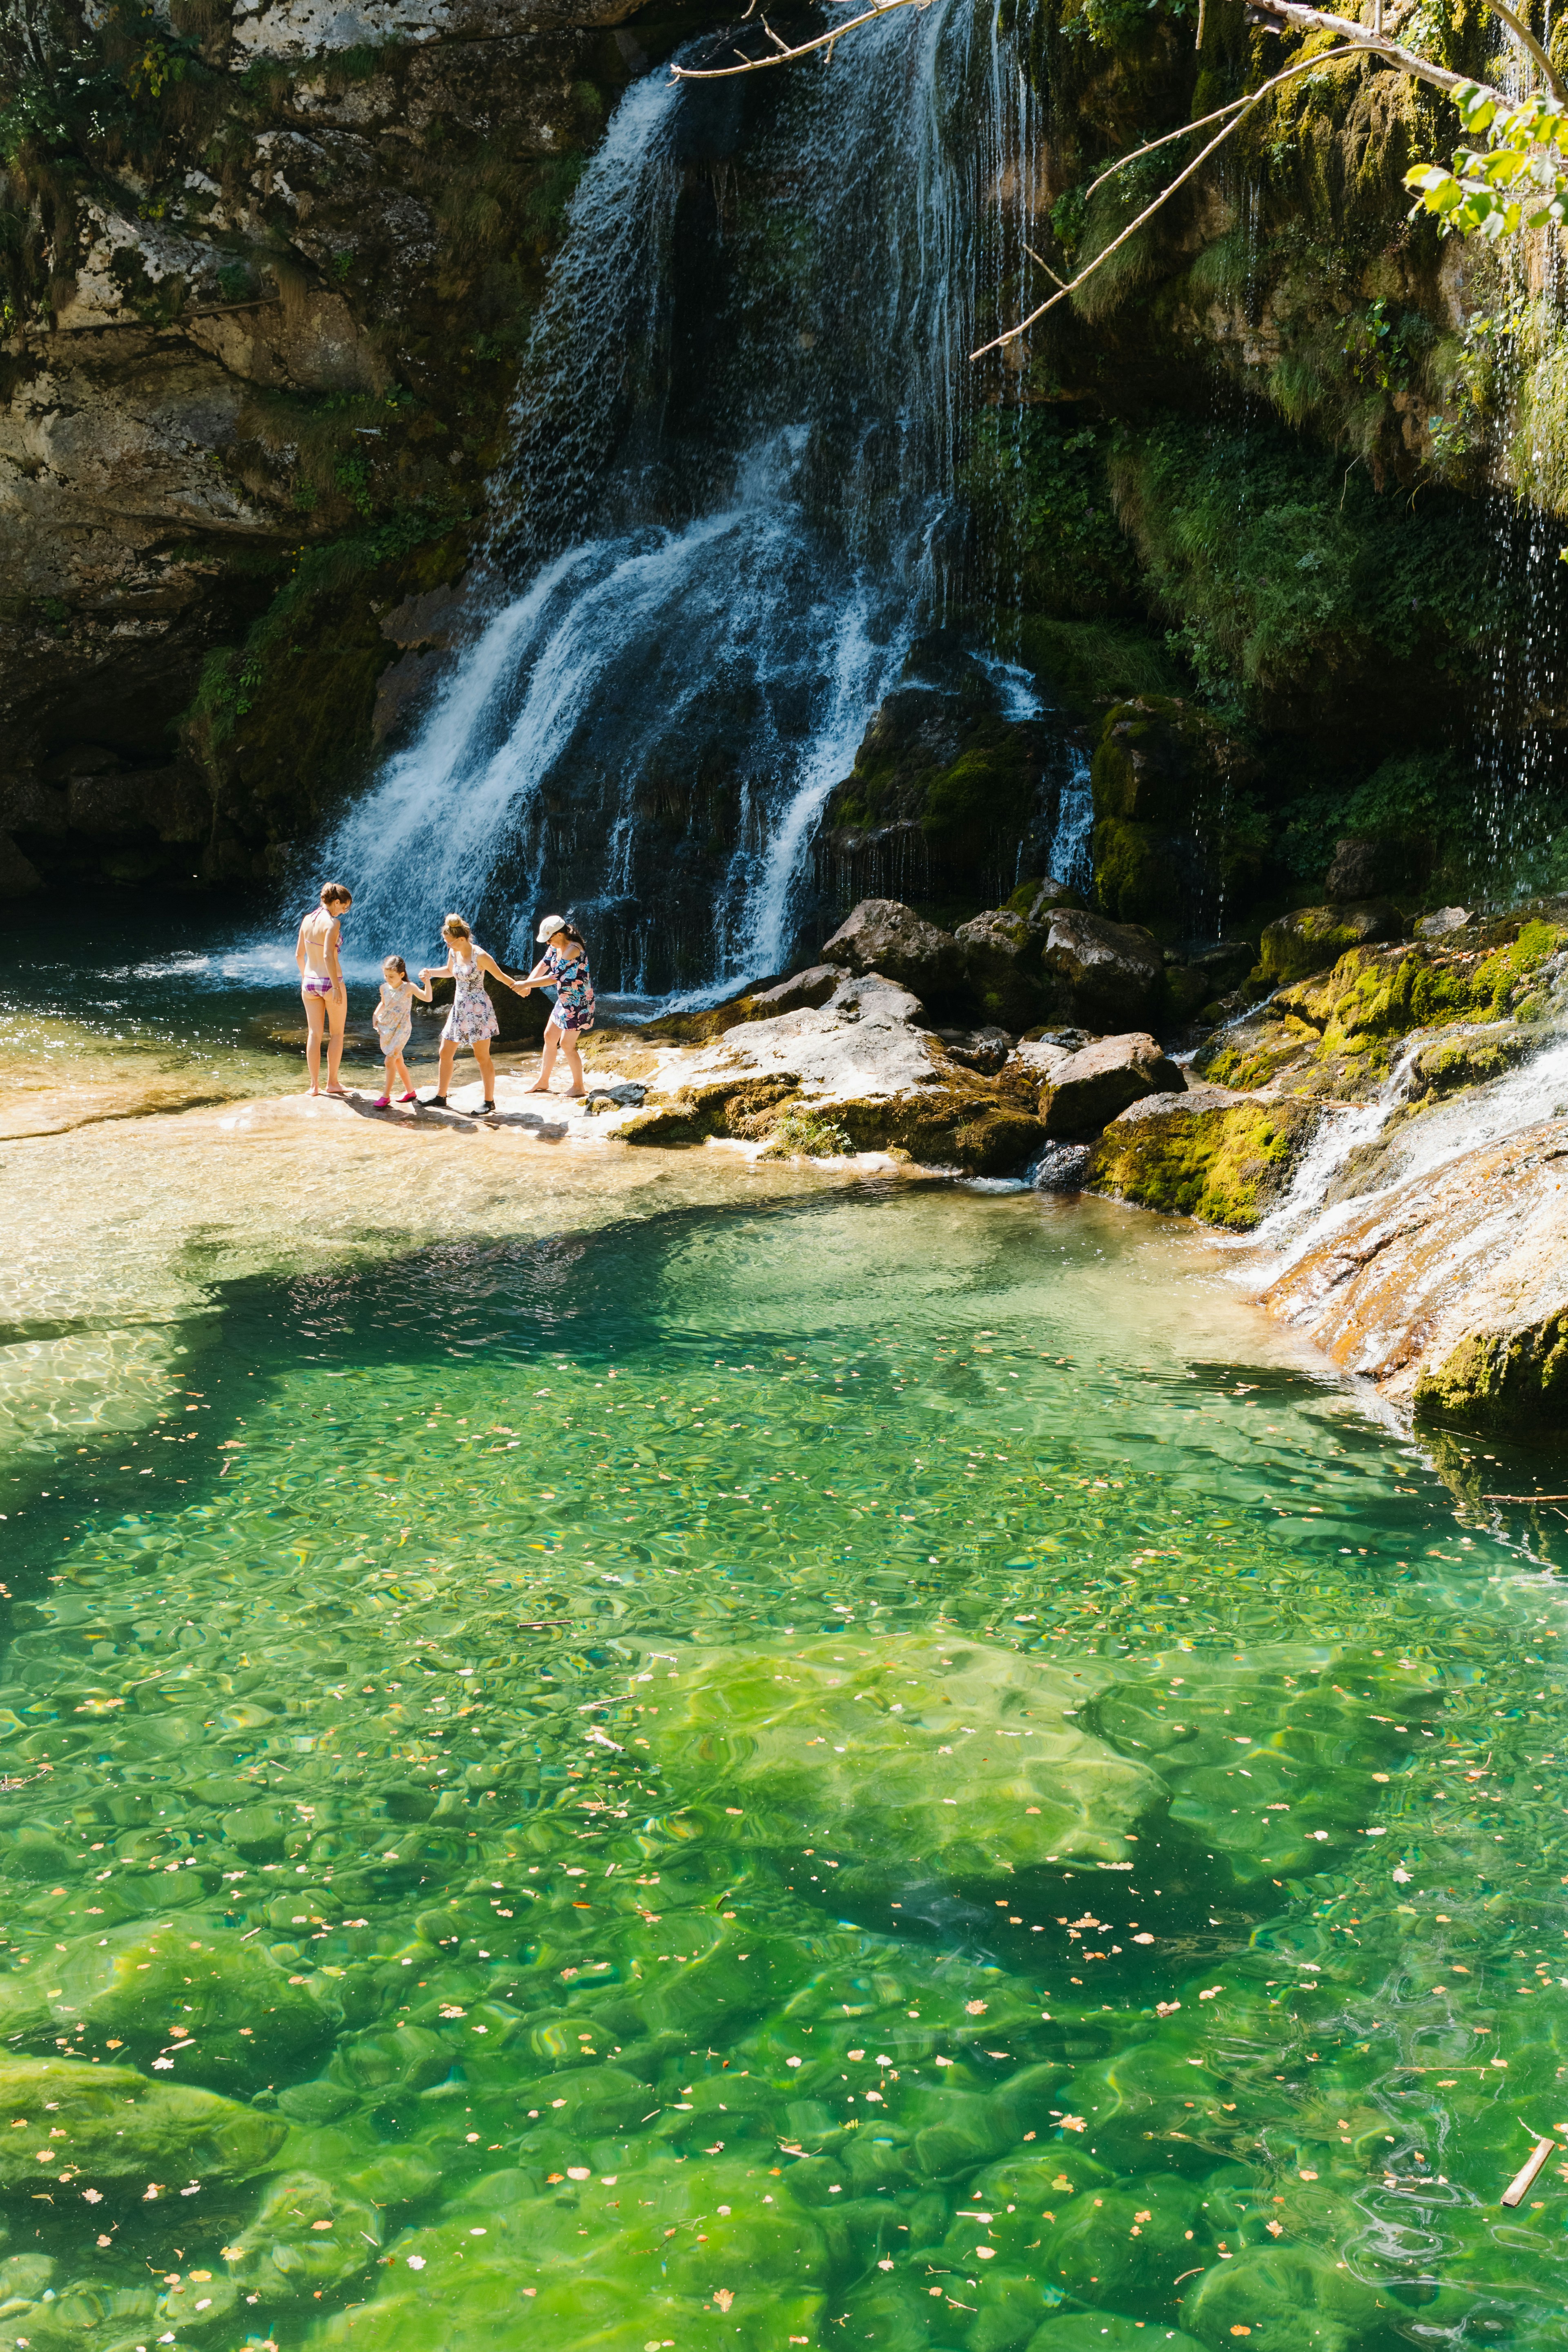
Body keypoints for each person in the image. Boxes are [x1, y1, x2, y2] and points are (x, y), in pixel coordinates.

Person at [419, 915, 529, 1114]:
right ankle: (441, 1096)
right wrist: (431, 973)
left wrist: (521, 987)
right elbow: (450, 971)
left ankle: (489, 1101)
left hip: (479, 1010)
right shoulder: (454, 953)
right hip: (459, 1008)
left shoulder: (481, 956)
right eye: (446, 942)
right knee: (445, 1052)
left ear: (462, 939)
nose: (448, 945)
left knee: (481, 1057)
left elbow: (501, 977)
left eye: (450, 942)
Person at [518, 915, 595, 1099]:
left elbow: (554, 977)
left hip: (579, 1003)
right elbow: (543, 965)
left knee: (567, 1045)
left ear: (560, 935)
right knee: (549, 1036)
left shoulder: (573, 950)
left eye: (550, 938)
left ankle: (579, 1087)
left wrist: (523, 985)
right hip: (564, 1000)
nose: (548, 943)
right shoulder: (556, 947)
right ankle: (543, 1081)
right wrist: (528, 983)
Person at [295, 882, 351, 1097]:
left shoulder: (307, 919)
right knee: (337, 1034)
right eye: (344, 907)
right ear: (336, 902)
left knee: (314, 1034)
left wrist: (305, 979)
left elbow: (299, 955)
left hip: (309, 982)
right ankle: (333, 1083)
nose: (344, 912)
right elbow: (328, 956)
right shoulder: (332, 923)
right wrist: (336, 987)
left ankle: (314, 1087)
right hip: (330, 981)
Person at [371, 955, 431, 1109]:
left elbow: (428, 998)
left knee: (389, 1061)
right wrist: (376, 1015)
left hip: (402, 1029)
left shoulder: (408, 987)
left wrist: (428, 982)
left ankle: (386, 1097)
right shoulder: (384, 988)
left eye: (391, 976)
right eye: (385, 976)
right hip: (388, 1028)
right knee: (399, 1061)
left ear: (402, 974)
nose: (388, 979)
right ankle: (410, 1092)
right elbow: (384, 1003)